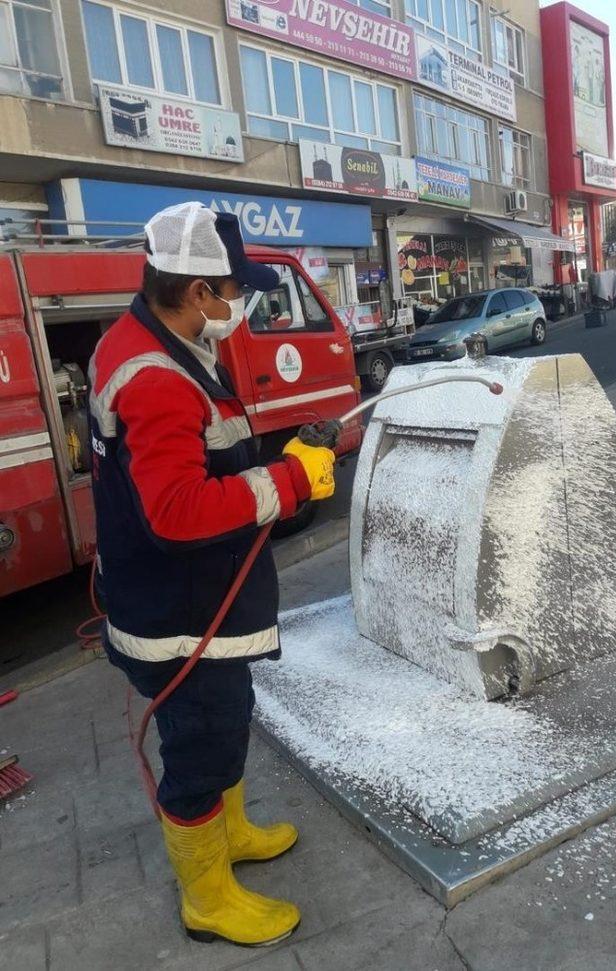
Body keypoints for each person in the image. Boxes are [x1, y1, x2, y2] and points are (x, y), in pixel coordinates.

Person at [88, 201, 335, 947]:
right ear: (198, 291)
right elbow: (177, 511)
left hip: (175, 605)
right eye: (232, 289)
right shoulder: (156, 376)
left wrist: (277, 457)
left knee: (222, 724)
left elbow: (202, 455)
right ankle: (207, 898)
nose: (237, 304)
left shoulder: (145, 338)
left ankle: (230, 835)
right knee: (200, 750)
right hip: (179, 620)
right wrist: (290, 482)